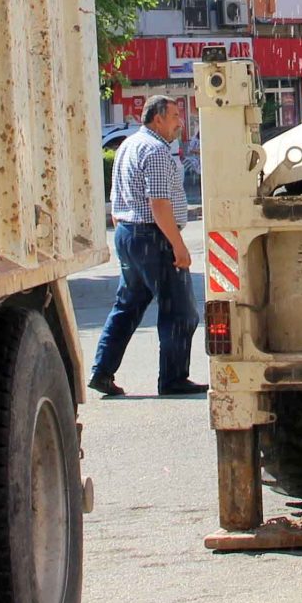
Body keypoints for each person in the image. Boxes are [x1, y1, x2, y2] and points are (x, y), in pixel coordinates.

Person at [88, 95, 205, 398]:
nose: (180, 122)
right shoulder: (154, 150)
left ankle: (102, 372)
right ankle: (173, 379)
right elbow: (159, 204)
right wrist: (178, 246)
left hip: (129, 233)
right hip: (153, 237)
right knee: (180, 312)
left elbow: (116, 201)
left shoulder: (128, 145)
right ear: (157, 119)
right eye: (175, 115)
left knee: (126, 307)